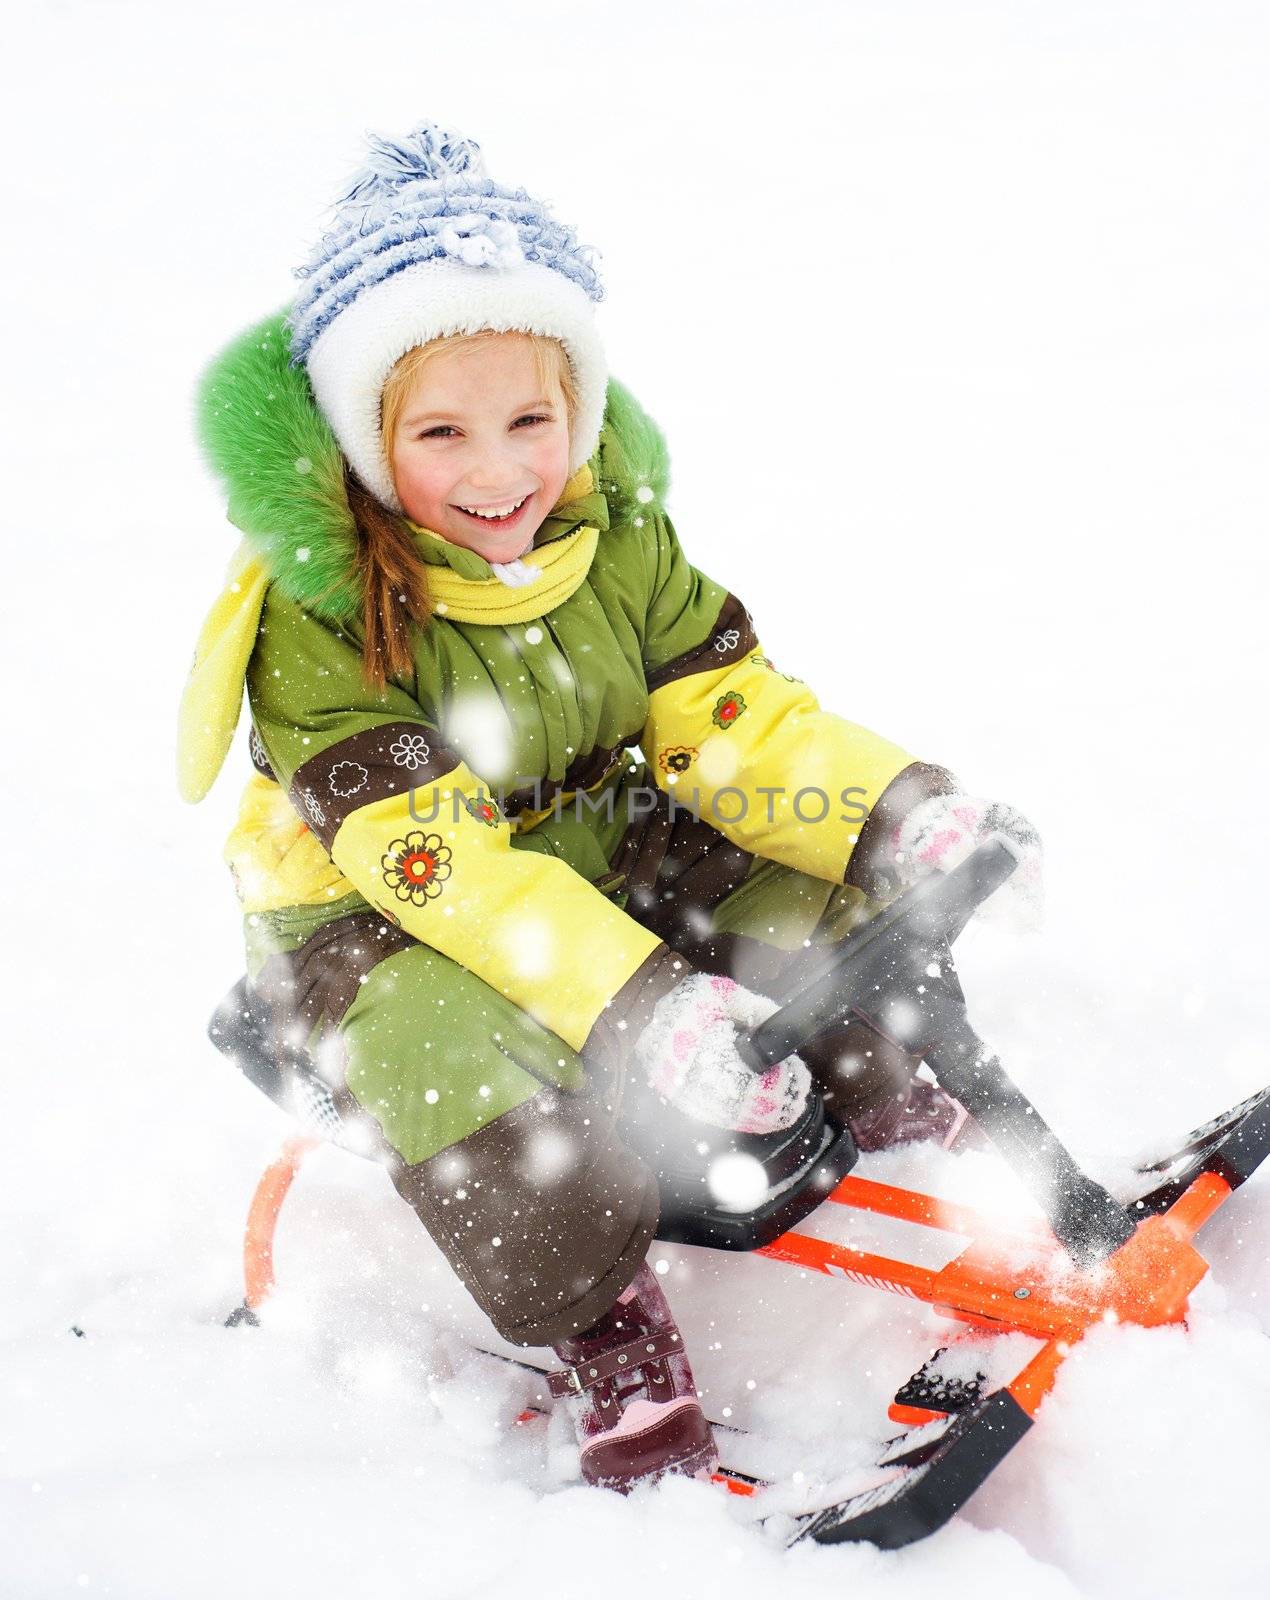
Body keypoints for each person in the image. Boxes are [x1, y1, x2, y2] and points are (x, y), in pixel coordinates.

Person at [178, 120, 1042, 1495]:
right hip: (376, 925)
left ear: (578, 410)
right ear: (359, 439)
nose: (497, 472)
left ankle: (878, 1104)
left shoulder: (610, 536)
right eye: (439, 432)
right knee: (447, 1049)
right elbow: (445, 875)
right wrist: (642, 1003)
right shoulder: (322, 623)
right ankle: (610, 1342)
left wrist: (893, 816)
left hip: (584, 841)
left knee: (795, 890)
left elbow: (731, 727)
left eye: (530, 418)